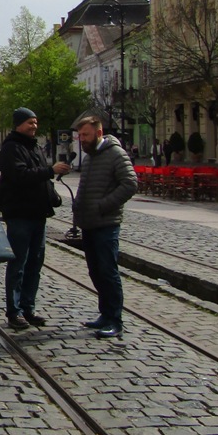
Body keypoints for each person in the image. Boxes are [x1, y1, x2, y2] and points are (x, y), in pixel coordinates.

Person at [0, 107, 70, 330]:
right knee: (18, 264)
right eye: (30, 123)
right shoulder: (10, 148)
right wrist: (49, 170)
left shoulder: (33, 146)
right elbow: (20, 176)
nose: (34, 126)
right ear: (18, 124)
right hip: (19, 215)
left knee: (35, 263)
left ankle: (28, 307)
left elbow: (38, 176)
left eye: (35, 122)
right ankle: (14, 311)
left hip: (38, 213)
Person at [73, 115, 137, 339]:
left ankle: (115, 319)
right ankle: (105, 313)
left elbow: (130, 183)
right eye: (80, 135)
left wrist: (104, 205)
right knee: (95, 271)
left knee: (108, 271)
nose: (82, 139)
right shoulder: (90, 157)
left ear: (99, 133)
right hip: (90, 223)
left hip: (106, 223)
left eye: (86, 135)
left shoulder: (115, 154)